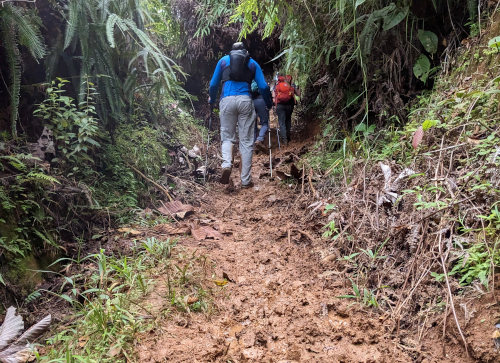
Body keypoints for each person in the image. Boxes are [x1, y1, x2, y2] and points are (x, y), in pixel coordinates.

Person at [209, 42, 272, 187]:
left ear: (231, 51)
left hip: (226, 100)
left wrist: (212, 100)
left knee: (227, 137)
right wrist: (268, 103)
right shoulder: (252, 63)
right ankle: (245, 180)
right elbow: (263, 86)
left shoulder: (223, 61)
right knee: (246, 141)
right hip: (245, 100)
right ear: (245, 52)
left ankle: (226, 163)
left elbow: (213, 84)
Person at [273, 74, 300, 145]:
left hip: (280, 106)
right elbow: (298, 94)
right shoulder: (290, 85)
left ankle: (284, 140)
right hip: (289, 106)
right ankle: (288, 137)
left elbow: (274, 96)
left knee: (282, 123)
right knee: (288, 120)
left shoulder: (277, 85)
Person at [251, 80, 269, 153]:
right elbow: (267, 93)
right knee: (265, 123)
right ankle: (259, 139)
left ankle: (254, 145)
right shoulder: (261, 82)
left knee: (253, 126)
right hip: (261, 101)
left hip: (251, 102)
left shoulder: (249, 82)